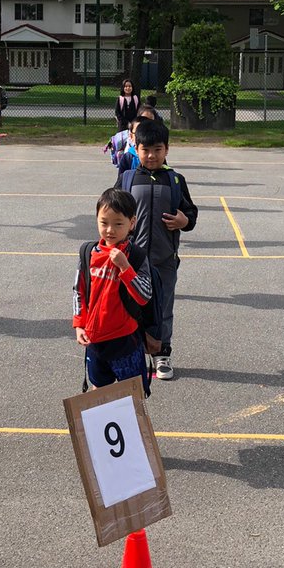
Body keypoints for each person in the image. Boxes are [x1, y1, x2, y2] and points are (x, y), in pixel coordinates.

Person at [119, 118, 197, 381]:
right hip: (132, 261)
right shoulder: (128, 178)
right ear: (136, 148)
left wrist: (184, 221)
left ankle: (162, 354)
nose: (151, 155)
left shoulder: (175, 180)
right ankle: (134, 353)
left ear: (167, 150)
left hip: (164, 260)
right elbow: (114, 211)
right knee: (132, 307)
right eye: (145, 149)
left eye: (158, 149)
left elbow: (191, 214)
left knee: (163, 308)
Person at [73, 187, 155, 393]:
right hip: (95, 340)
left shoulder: (135, 256)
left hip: (124, 340)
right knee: (99, 390)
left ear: (132, 223)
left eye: (118, 224)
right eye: (104, 223)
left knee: (131, 393)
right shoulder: (88, 252)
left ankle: (133, 425)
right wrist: (79, 324)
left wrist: (125, 268)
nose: (110, 230)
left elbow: (144, 296)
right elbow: (79, 292)